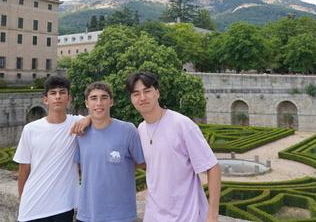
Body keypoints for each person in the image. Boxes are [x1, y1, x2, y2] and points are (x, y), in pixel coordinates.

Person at [126, 71, 221, 222]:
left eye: (147, 91)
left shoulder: (181, 124)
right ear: (131, 99)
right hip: (154, 216)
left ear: (157, 93)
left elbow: (213, 167)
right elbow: (148, 163)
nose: (142, 98)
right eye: (136, 93)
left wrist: (212, 215)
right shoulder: (141, 129)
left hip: (187, 217)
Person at [14, 75, 89, 222]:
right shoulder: (31, 129)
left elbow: (100, 118)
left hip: (63, 207)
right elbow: (24, 169)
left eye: (62, 92)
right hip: (32, 206)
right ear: (45, 99)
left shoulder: (76, 123)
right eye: (53, 93)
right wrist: (23, 198)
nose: (58, 97)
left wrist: (89, 118)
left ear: (69, 98)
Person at [75, 81, 145, 222]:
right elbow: (80, 167)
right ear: (87, 103)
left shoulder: (128, 130)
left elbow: (143, 163)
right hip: (87, 215)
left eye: (104, 97)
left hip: (121, 216)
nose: (99, 103)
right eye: (93, 98)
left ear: (111, 102)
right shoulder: (80, 133)